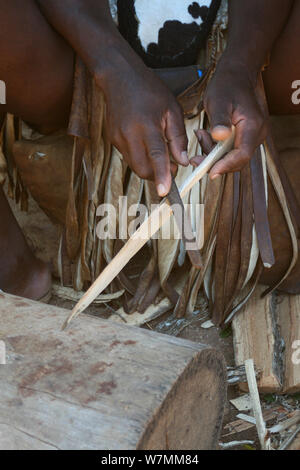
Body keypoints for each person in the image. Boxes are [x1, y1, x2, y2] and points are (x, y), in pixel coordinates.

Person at [0, 0, 299, 300]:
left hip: (258, 45)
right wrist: (113, 67)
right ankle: (11, 264)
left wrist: (242, 65)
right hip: (73, 56)